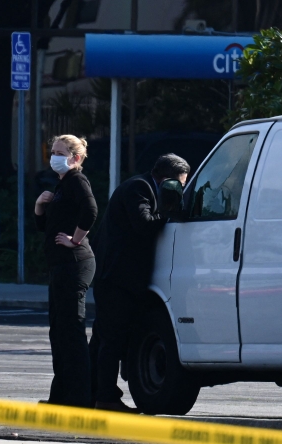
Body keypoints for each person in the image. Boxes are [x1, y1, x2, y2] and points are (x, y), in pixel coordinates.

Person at [91, 154, 190, 412]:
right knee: (112, 339)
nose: (179, 190)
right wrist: (170, 214)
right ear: (166, 179)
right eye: (179, 184)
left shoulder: (143, 186)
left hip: (120, 277)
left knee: (105, 338)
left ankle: (90, 392)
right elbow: (144, 224)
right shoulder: (139, 187)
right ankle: (106, 398)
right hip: (117, 278)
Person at [35, 135, 98, 408]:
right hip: (60, 265)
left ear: (76, 158)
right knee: (59, 332)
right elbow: (49, 227)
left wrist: (75, 239)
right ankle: (60, 396)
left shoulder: (77, 180)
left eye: (61, 152)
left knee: (71, 332)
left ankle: (81, 398)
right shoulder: (61, 185)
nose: (54, 157)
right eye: (53, 152)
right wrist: (40, 208)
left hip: (74, 263)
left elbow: (91, 210)